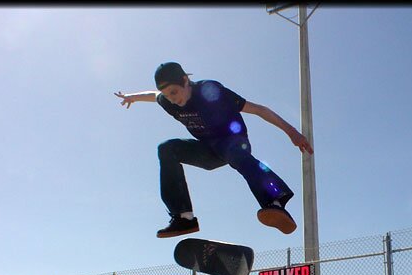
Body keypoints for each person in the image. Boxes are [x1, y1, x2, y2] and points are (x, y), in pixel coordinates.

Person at [115, 61, 313, 238]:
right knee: (167, 149)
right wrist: (132, 97)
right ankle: (184, 217)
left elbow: (259, 110)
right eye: (168, 95)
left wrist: (292, 132)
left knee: (234, 153)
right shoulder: (168, 101)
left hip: (234, 142)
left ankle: (275, 201)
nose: (173, 100)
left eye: (174, 92)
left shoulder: (211, 92)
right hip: (208, 151)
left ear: (185, 81)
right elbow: (154, 95)